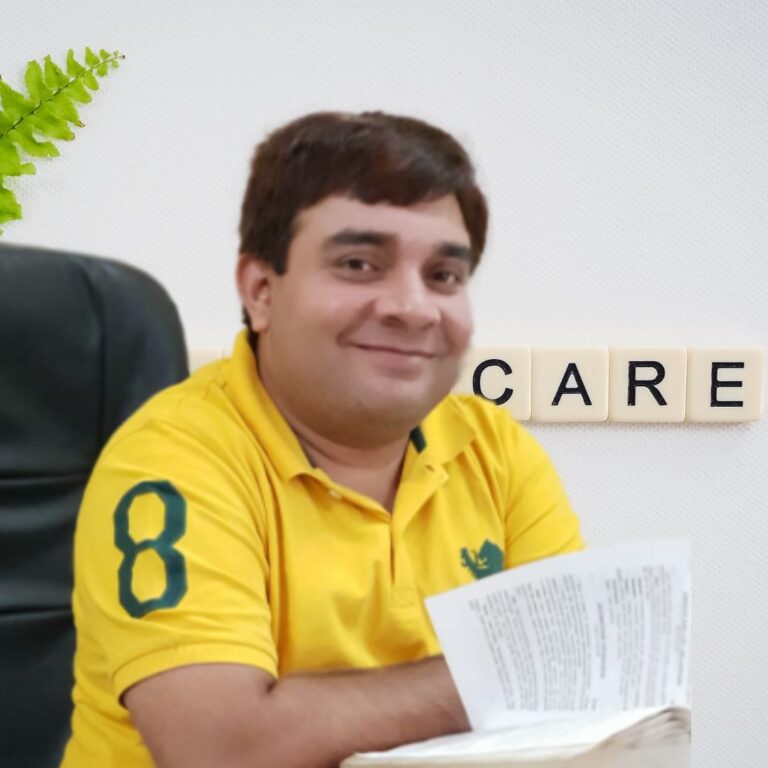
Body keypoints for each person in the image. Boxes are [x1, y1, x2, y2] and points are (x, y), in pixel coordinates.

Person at [62, 111, 584, 767]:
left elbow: (583, 682)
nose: (413, 307)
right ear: (261, 291)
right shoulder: (171, 460)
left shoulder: (495, 449)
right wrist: (506, 675)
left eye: (443, 276)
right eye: (359, 264)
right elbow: (222, 751)